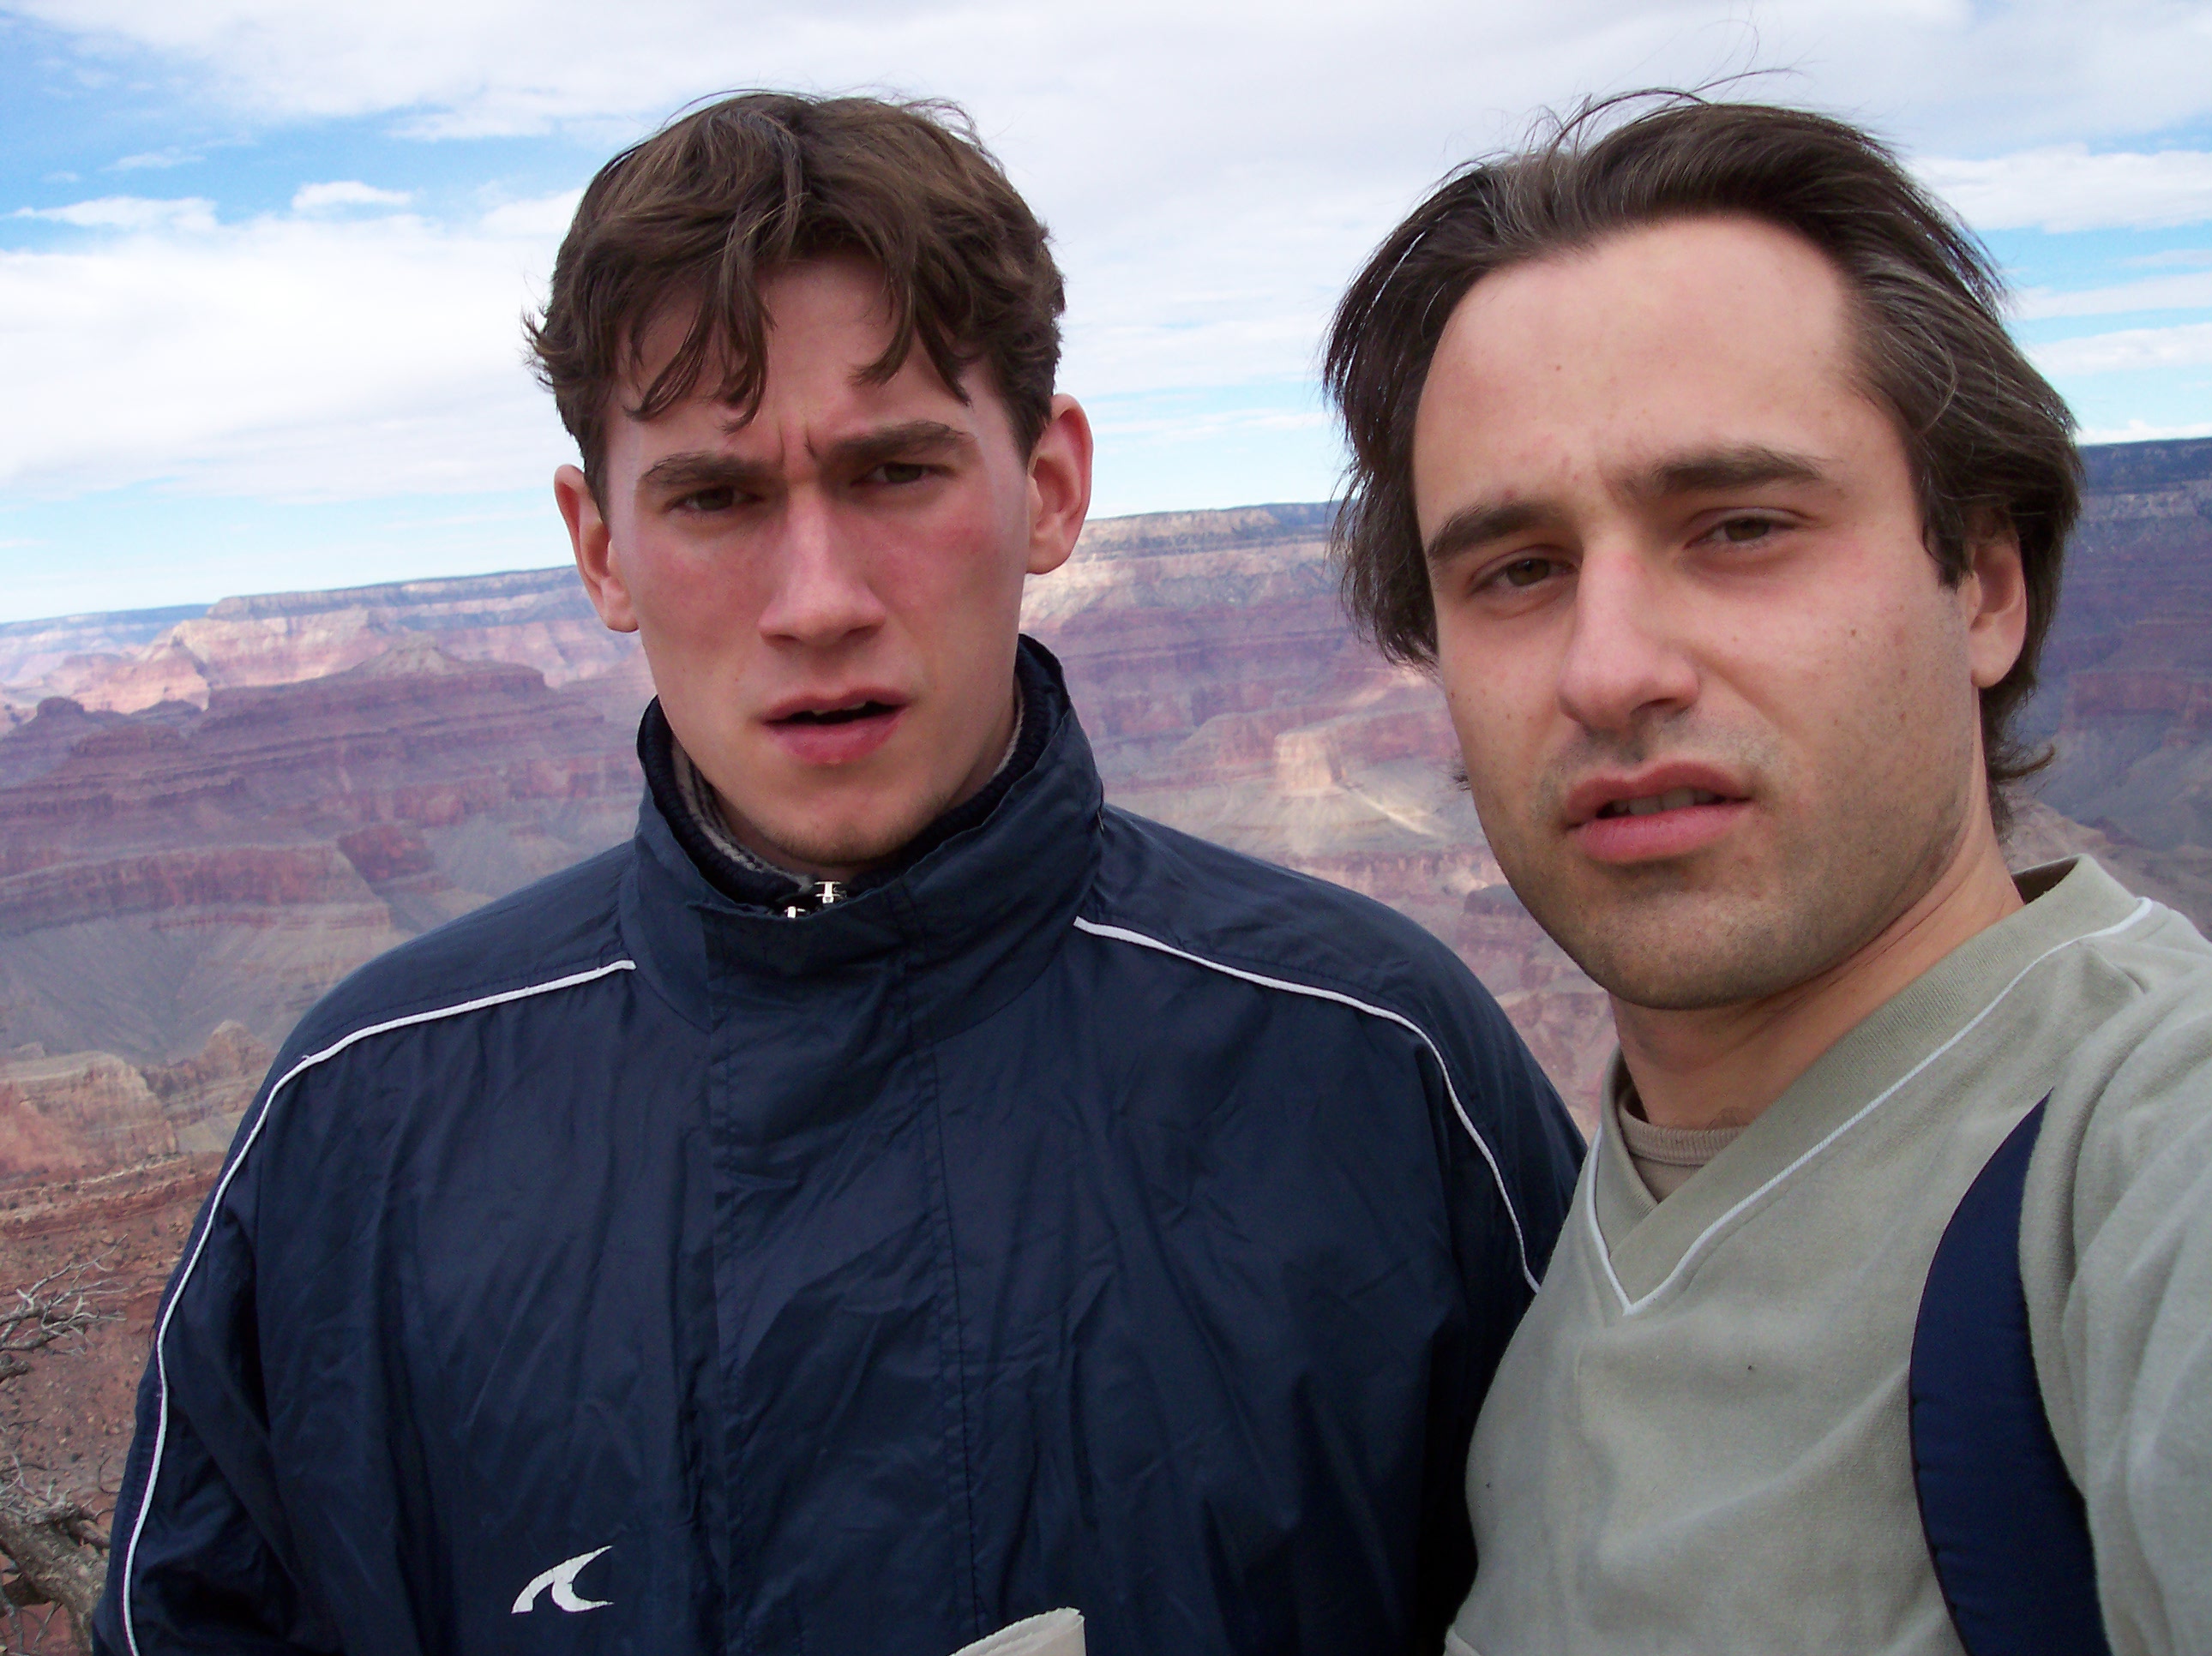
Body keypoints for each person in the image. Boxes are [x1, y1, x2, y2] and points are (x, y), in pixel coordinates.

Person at [95, 92, 1581, 1656]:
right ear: (599, 547)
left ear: (1050, 488)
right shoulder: (357, 1129)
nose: (817, 601)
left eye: (894, 474)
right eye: (716, 497)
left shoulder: (1377, 1069)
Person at [1323, 94, 2212, 1655]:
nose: (1610, 669)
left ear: (1984, 587)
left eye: (1739, 526)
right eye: (1518, 570)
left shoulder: (2148, 1161)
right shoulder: (1561, 1290)